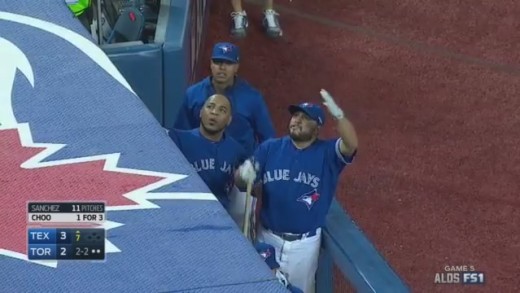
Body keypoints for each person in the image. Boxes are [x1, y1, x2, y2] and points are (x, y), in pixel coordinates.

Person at [236, 89, 359, 293]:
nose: (297, 120)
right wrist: (243, 174)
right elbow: (242, 184)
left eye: (305, 118)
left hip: (304, 247)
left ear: (317, 128)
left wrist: (339, 116)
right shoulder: (270, 148)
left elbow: (351, 144)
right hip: (267, 238)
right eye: (295, 116)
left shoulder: (327, 154)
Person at [174, 41, 275, 157]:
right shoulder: (193, 94)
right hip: (202, 162)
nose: (222, 67)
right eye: (218, 62)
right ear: (211, 64)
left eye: (228, 63)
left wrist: (256, 164)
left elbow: (268, 139)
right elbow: (181, 135)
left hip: (240, 164)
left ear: (236, 67)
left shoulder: (252, 98)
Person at [168, 94, 247, 212]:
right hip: (184, 212)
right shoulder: (177, 139)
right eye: (210, 106)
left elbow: (247, 186)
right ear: (201, 112)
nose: (214, 112)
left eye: (222, 110)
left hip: (220, 217)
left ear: (229, 120)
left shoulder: (237, 150)